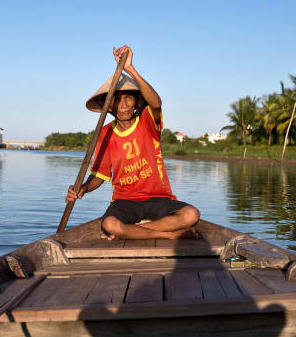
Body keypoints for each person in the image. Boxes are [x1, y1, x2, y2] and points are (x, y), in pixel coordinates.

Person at [65, 45, 200, 240]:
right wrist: (82, 189)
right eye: (117, 100)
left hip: (158, 198)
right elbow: (100, 176)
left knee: (191, 214)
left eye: (129, 98)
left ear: (137, 102)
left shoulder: (146, 120)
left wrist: (130, 69)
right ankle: (168, 235)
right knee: (110, 223)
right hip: (125, 201)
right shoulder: (105, 133)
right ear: (109, 105)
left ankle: (135, 230)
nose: (124, 105)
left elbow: (156, 103)